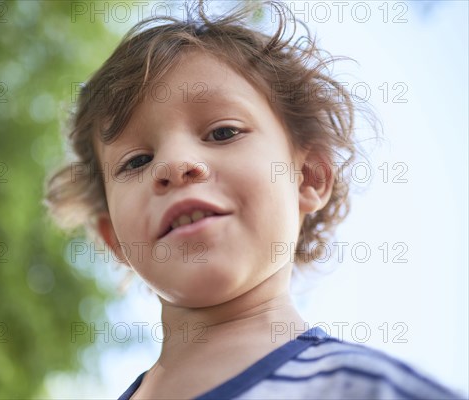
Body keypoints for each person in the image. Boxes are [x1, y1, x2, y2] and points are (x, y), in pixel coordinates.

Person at [46, 1, 464, 398]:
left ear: (309, 177)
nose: (173, 164)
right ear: (113, 239)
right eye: (137, 161)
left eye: (223, 132)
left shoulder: (367, 390)